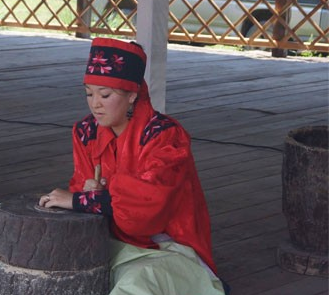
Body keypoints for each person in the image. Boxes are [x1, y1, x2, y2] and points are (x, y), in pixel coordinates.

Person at [39, 37, 218, 275]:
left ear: (132, 95)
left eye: (105, 95)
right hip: (110, 235)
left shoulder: (165, 137)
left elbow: (147, 209)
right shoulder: (85, 132)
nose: (95, 105)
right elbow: (83, 188)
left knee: (137, 285)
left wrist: (81, 200)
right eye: (88, 94)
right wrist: (87, 192)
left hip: (165, 242)